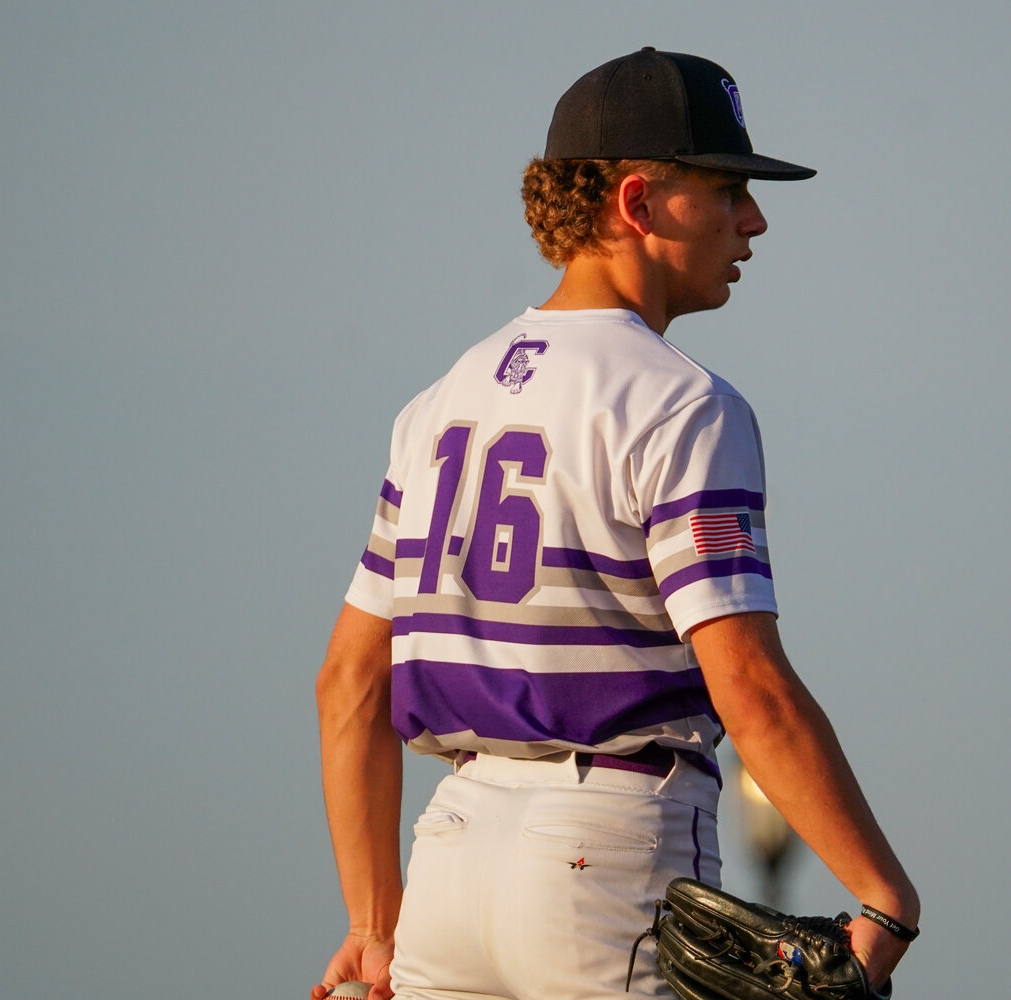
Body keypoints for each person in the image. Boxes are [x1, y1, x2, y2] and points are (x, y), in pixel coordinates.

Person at [312, 48, 920, 1000]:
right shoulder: (686, 406)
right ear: (638, 201)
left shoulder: (436, 404)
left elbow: (349, 682)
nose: (753, 220)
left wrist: (370, 924)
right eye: (726, 189)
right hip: (610, 855)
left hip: (449, 862)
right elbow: (750, 689)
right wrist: (883, 897)